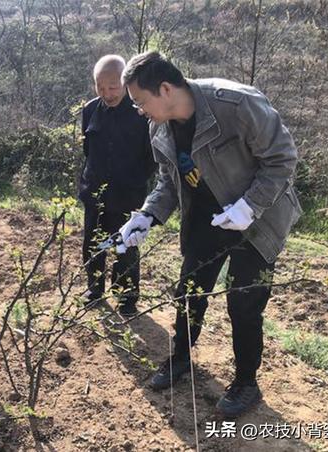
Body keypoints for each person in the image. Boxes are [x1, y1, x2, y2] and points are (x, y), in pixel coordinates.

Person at [118, 51, 301, 417]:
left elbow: (282, 158)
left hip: (257, 220)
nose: (139, 110)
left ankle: (246, 382)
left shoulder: (235, 103)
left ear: (165, 88)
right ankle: (181, 358)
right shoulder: (160, 128)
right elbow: (168, 182)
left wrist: (249, 206)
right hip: (206, 220)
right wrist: (148, 215)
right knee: (188, 292)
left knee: (244, 303)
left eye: (140, 101)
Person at [79, 55, 156, 317]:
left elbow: (151, 159)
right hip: (95, 194)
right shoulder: (90, 110)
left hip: (128, 195)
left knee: (127, 246)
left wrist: (136, 185)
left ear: (124, 83)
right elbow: (88, 150)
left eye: (112, 87)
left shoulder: (141, 114)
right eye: (100, 87)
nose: (106, 93)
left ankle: (126, 294)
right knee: (93, 244)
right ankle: (94, 288)